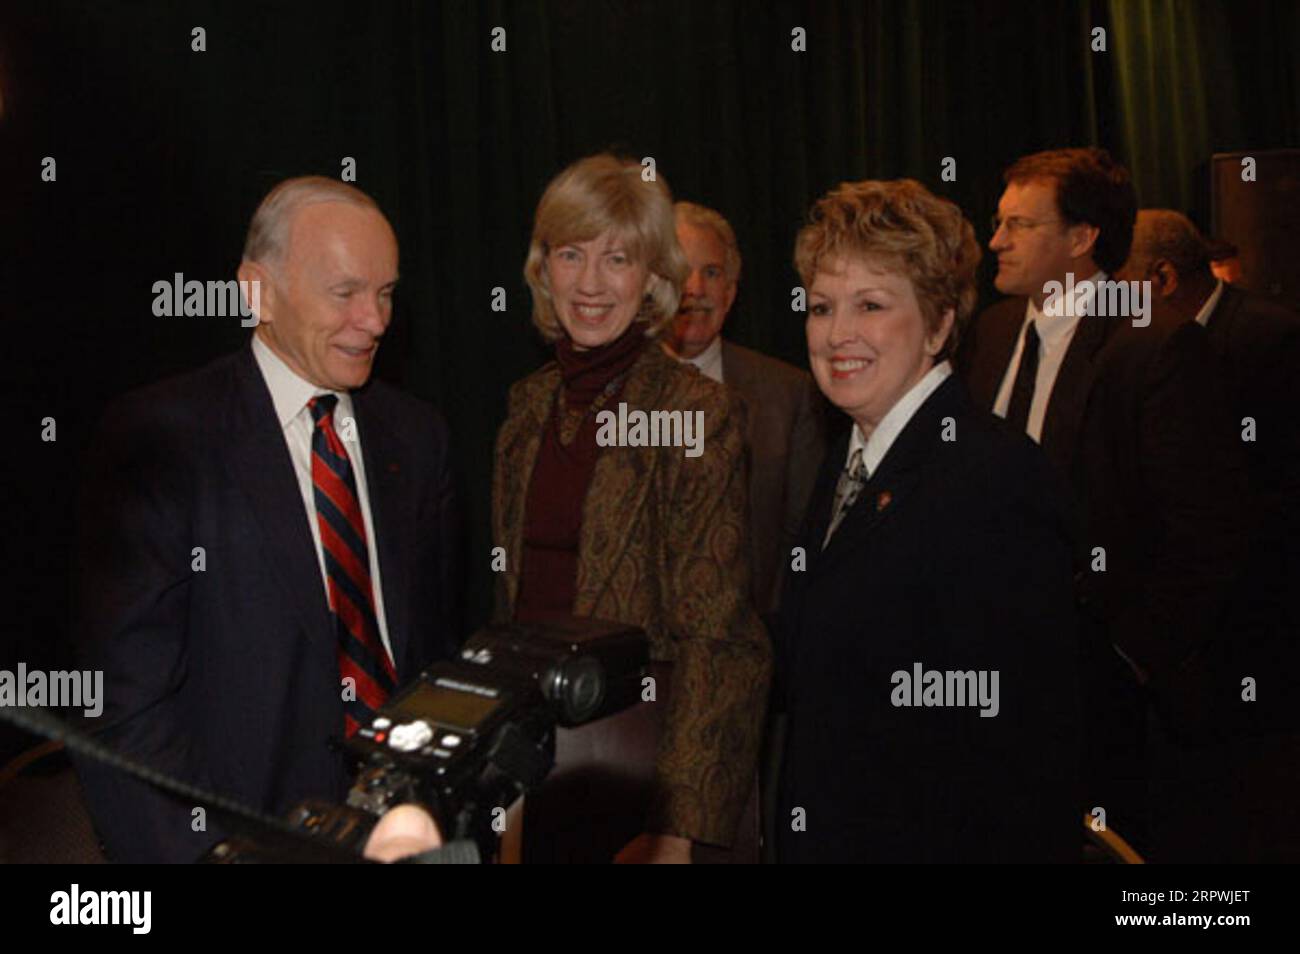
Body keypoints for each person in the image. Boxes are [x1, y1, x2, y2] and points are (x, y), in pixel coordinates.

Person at [73, 177, 460, 863]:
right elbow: (124, 710)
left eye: (387, 292)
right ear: (256, 291)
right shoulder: (162, 440)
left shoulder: (417, 438)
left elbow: (429, 659)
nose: (374, 320)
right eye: (345, 293)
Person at [776, 179, 1079, 862]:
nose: (837, 333)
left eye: (872, 305)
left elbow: (1023, 755)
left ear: (940, 324)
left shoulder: (995, 480)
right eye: (822, 307)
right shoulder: (849, 459)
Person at [958, 149, 1246, 853]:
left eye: (1019, 225)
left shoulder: (1155, 342)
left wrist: (1127, 661)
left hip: (1107, 705)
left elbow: (1205, 532)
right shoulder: (990, 333)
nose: (995, 241)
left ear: (1083, 238)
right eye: (998, 223)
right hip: (991, 684)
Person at [493, 154, 771, 863]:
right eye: (571, 254)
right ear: (542, 267)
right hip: (531, 763)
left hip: (636, 772)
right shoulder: (527, 406)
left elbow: (718, 640)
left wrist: (675, 832)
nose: (589, 283)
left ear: (652, 279)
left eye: (616, 259)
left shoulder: (695, 411)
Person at [1119, 209, 1300, 860]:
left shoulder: (1269, 339)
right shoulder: (1133, 349)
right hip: (1174, 650)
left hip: (1253, 632)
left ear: (1161, 278)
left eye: (1120, 280)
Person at [664, 201, 825, 615]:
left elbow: (801, 543)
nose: (695, 289)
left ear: (731, 293)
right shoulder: (613, 392)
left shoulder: (788, 394)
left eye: (712, 273)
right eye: (680, 270)